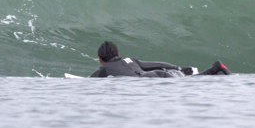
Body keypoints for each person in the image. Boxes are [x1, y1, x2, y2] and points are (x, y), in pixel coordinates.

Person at [89, 41, 231, 78]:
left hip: (149, 80)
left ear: (100, 59)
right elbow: (156, 64)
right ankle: (216, 71)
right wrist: (178, 68)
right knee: (185, 83)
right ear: (118, 53)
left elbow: (89, 81)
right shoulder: (130, 60)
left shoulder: (104, 69)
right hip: (156, 74)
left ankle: (214, 70)